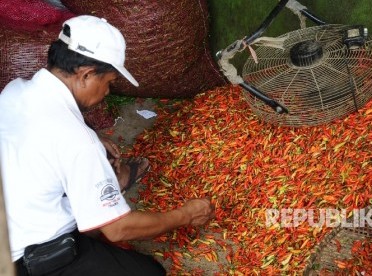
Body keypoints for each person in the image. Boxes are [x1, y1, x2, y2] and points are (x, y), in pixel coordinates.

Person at [0, 15, 215, 276]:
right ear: (86, 74)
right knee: (149, 273)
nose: (108, 92)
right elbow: (118, 229)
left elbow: (49, 131)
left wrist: (94, 138)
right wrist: (186, 215)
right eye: (109, 82)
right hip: (24, 261)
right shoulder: (77, 141)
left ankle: (107, 191)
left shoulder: (14, 90)